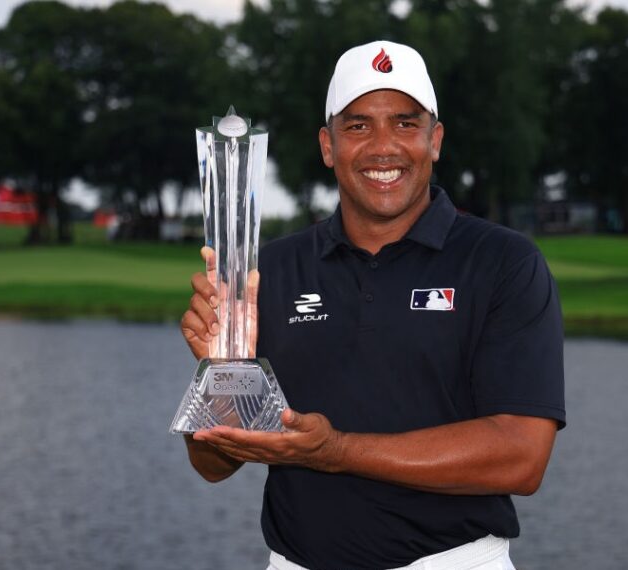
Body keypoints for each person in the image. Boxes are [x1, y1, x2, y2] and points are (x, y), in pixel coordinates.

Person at [181, 40, 565, 570]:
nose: (384, 147)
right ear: (326, 145)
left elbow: (521, 458)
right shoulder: (270, 269)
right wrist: (222, 373)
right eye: (358, 126)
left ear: (436, 140)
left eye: (406, 124)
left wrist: (336, 451)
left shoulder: (502, 262)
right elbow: (213, 464)